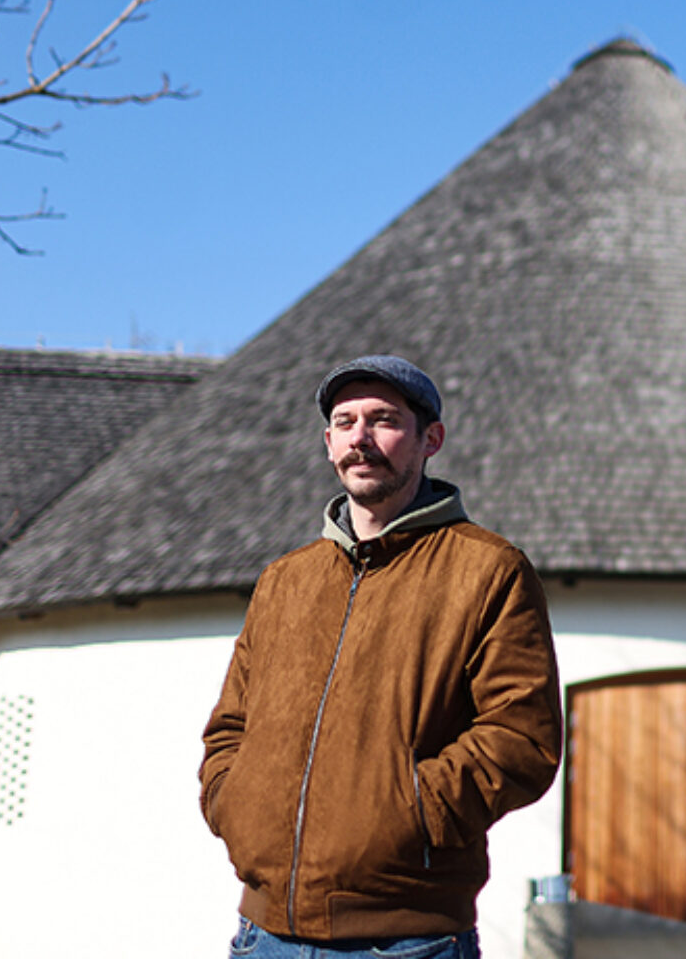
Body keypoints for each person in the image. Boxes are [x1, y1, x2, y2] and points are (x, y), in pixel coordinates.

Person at [200, 355, 563, 959]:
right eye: (345, 423)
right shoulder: (284, 580)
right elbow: (230, 726)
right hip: (262, 937)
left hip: (407, 941)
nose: (360, 439)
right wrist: (231, 800)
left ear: (430, 440)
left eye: (384, 420)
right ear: (328, 444)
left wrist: (413, 809)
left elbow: (522, 738)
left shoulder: (489, 571)